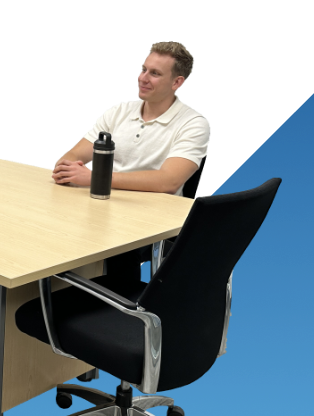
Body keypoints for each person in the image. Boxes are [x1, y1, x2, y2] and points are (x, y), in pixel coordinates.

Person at [52, 41, 210, 279]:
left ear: (177, 82)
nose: (143, 78)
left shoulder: (193, 123)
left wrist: (97, 178)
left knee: (113, 245)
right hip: (104, 206)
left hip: (152, 219)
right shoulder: (120, 111)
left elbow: (168, 181)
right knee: (50, 227)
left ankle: (121, 309)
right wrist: (68, 168)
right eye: (143, 69)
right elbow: (73, 156)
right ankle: (55, 300)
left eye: (155, 74)